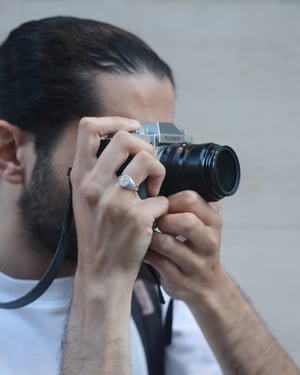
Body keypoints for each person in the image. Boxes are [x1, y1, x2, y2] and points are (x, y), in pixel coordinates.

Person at [0, 16, 298, 375]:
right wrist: (103, 282)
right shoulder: (115, 282)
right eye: (124, 151)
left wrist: (208, 286)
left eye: (161, 149)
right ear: (11, 153)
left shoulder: (154, 298)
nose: (152, 174)